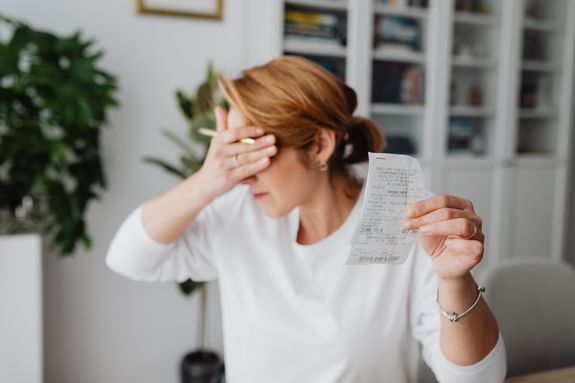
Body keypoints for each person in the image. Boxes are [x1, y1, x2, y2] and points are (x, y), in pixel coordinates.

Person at [106, 56, 506, 382]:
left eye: (252, 150)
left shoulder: (404, 221)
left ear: (319, 144)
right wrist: (207, 181)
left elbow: (478, 380)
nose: (243, 174)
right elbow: (128, 259)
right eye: (233, 154)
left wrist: (455, 281)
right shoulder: (239, 215)